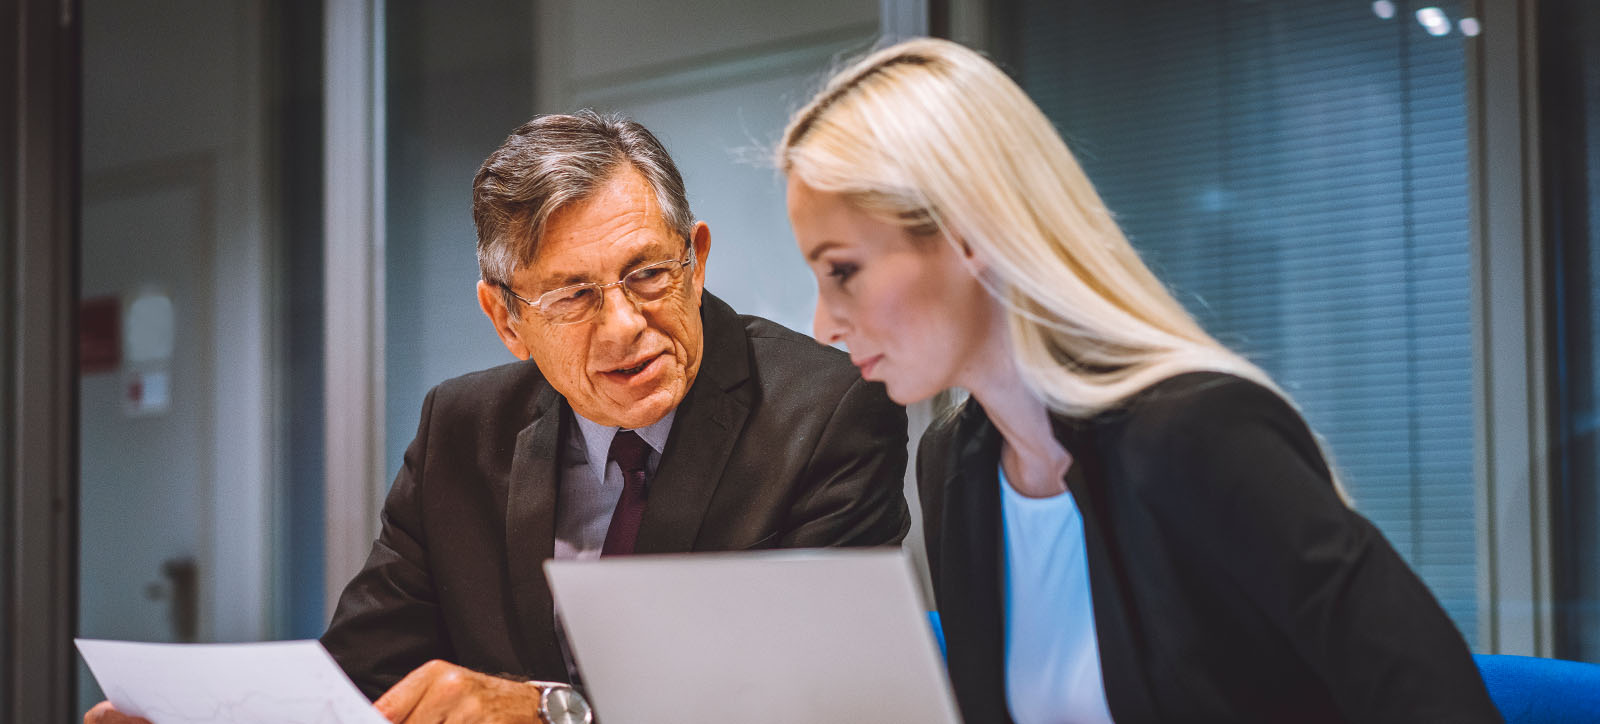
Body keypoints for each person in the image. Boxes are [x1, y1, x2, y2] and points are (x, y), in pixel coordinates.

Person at [86, 111, 910, 724]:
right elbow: (363, 681)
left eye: (649, 274)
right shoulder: (462, 429)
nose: (624, 324)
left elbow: (811, 701)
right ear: (506, 318)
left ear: (695, 259)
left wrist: (551, 710)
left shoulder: (828, 412)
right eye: (574, 295)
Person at [776, 38, 1502, 724]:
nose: (824, 325)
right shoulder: (953, 463)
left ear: (970, 231)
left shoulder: (1196, 433)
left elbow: (1436, 701)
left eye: (843, 272)